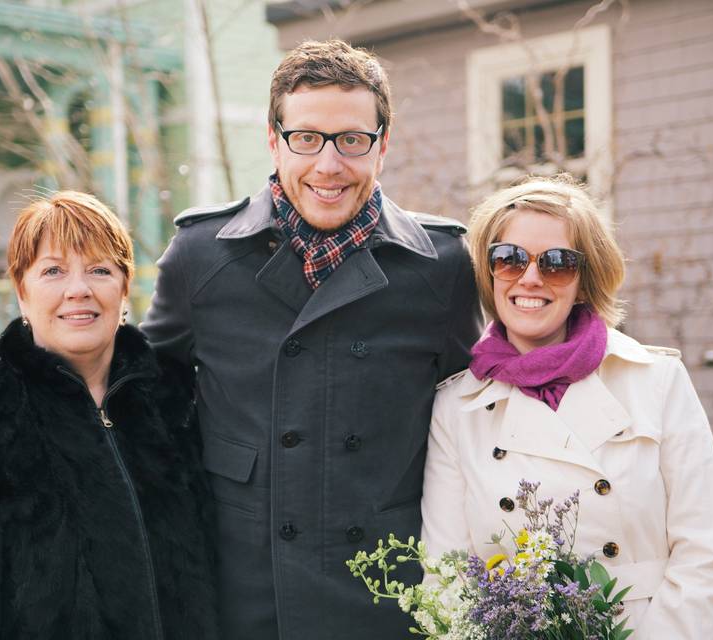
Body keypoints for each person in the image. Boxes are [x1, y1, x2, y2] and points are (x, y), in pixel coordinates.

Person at [141, 39, 482, 639]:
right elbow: (142, 405)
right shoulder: (201, 256)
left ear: (382, 146)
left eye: (352, 139)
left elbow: (480, 417)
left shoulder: (442, 266)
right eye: (307, 138)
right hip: (242, 596)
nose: (329, 165)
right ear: (274, 141)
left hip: (387, 595)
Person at [0, 192, 217, 639]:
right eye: (53, 271)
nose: (78, 289)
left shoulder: (175, 402)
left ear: (124, 288)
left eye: (99, 269)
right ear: (22, 291)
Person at [421, 175, 713, 639]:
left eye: (557, 263)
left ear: (585, 282)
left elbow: (705, 558)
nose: (530, 277)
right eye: (508, 259)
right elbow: (446, 576)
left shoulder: (656, 381)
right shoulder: (456, 407)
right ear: (490, 275)